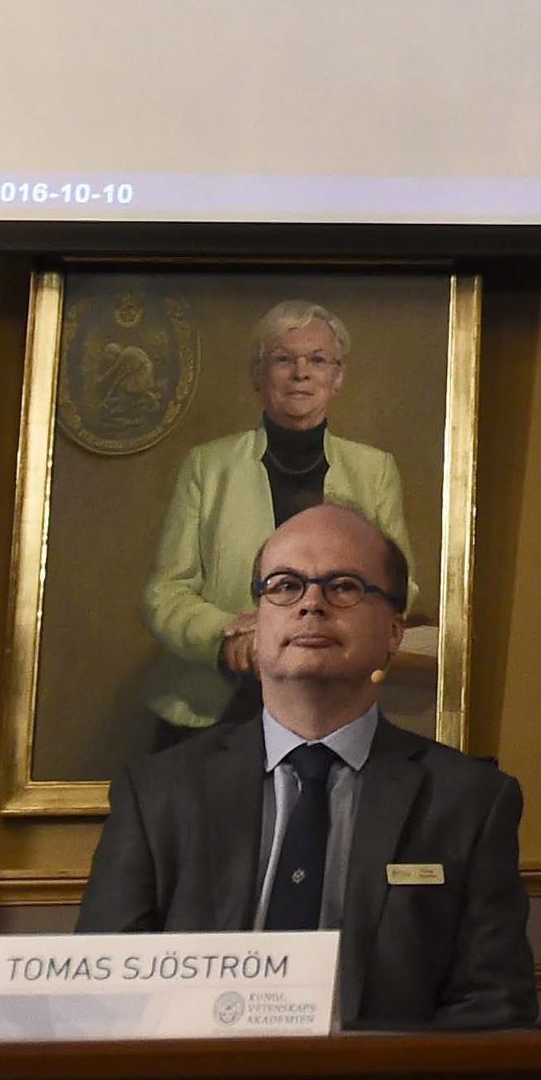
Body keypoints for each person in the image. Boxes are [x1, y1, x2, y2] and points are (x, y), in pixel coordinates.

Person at [79, 500, 537, 1028]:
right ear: (255, 622)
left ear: (393, 631)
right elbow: (101, 993)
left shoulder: (470, 802)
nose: (311, 605)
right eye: (285, 586)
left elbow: (493, 1009)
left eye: (343, 587)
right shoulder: (155, 793)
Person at [142, 302, 431, 752]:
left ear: (338, 378)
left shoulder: (375, 470)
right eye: (283, 359)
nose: (301, 373)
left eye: (317, 360)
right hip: (209, 709)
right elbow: (165, 594)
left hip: (331, 704)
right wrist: (231, 634)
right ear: (257, 376)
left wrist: (319, 629)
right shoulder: (206, 466)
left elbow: (401, 586)